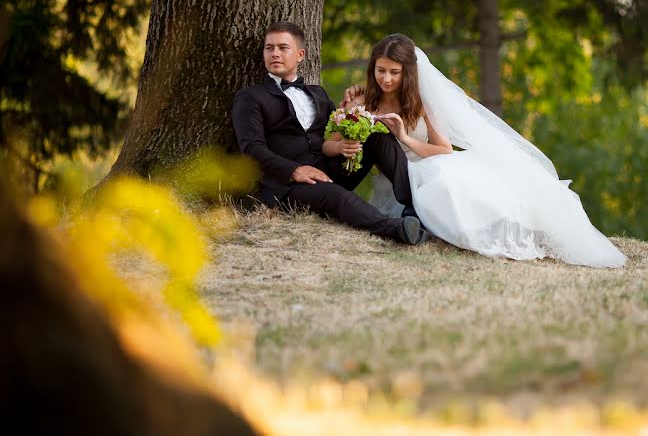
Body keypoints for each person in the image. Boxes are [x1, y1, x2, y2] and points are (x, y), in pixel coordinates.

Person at [341, 34, 627, 268]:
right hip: (394, 179)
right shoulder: (364, 100)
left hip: (425, 163)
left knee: (463, 197)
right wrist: (347, 109)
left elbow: (443, 149)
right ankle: (414, 215)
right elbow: (340, 135)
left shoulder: (420, 102)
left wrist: (405, 136)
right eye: (381, 71)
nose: (387, 79)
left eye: (395, 72)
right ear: (372, 68)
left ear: (408, 73)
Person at [231, 21, 428, 245]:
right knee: (336, 195)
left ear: (300, 54)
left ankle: (413, 207)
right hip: (288, 185)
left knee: (376, 133)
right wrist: (294, 170)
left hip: (329, 169)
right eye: (269, 48)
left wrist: (349, 111)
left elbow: (338, 131)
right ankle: (397, 230)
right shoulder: (250, 96)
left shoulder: (318, 93)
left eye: (283, 47)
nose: (275, 53)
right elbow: (251, 147)